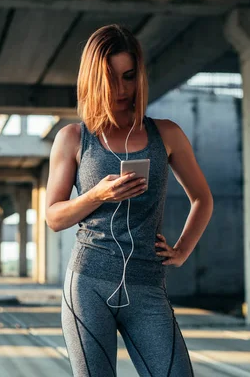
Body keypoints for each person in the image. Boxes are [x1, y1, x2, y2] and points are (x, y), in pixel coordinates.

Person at [45, 24, 214, 376]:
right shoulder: (73, 138)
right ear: (93, 78)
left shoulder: (166, 134)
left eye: (129, 76)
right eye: (110, 78)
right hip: (88, 284)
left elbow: (202, 198)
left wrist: (182, 250)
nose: (122, 89)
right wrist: (96, 194)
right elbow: (54, 217)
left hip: (148, 286)